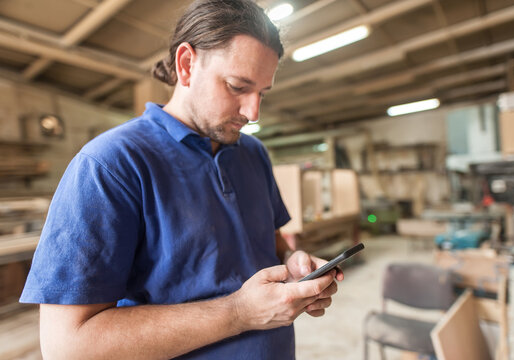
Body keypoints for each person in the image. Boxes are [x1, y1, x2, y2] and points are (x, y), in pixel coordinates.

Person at [20, 0, 343, 359]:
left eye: (262, 93)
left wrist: (295, 263)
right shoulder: (110, 165)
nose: (253, 112)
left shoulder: (252, 153)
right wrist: (239, 313)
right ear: (187, 64)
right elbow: (68, 347)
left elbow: (270, 244)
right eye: (238, 86)